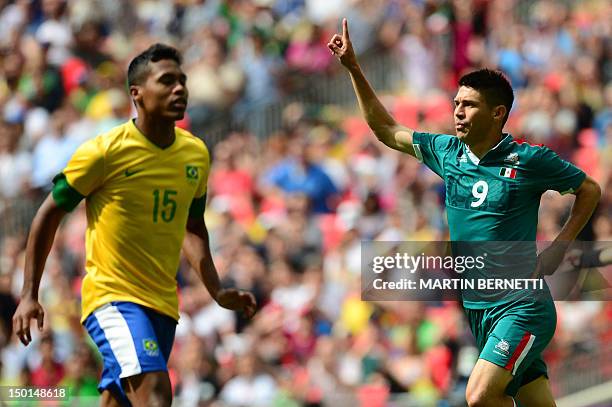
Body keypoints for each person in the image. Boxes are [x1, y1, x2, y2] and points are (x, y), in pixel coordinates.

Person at [328, 19, 601, 407]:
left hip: (521, 305)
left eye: (468, 105)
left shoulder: (528, 160)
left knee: (479, 397)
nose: (457, 111)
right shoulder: (447, 153)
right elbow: (387, 130)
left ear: (496, 113)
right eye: (456, 103)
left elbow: (589, 189)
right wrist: (354, 67)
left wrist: (560, 246)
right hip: (478, 310)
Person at [12, 44, 257, 407]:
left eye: (182, 81)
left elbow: (192, 227)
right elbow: (48, 213)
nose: (180, 89)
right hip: (113, 298)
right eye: (167, 81)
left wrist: (217, 290)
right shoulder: (104, 151)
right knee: (156, 396)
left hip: (162, 303)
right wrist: (29, 293)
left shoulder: (195, 154)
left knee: (121, 400)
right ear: (136, 94)